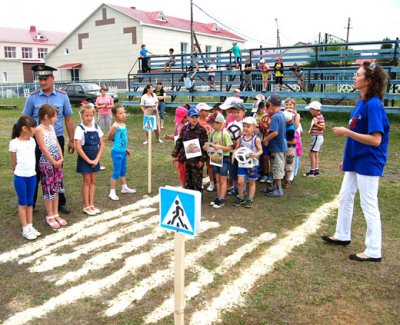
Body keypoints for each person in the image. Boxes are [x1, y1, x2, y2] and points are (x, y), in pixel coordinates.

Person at [322, 62, 390, 262]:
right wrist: (347, 160)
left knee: (368, 204)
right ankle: (342, 235)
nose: (354, 77)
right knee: (345, 197)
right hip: (355, 159)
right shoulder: (361, 101)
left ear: (368, 81)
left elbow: (376, 140)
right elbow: (358, 133)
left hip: (369, 161)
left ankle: (373, 250)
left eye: (358, 74)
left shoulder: (374, 104)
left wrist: (346, 132)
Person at [23, 64, 74, 215]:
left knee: (57, 170)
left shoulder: (62, 96)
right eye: (40, 79)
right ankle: (31, 203)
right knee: (36, 171)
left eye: (45, 78)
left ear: (53, 78)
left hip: (56, 139)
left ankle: (60, 202)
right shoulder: (32, 98)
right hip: (37, 141)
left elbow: (69, 118)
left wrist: (71, 140)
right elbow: (25, 119)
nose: (42, 82)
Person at [35, 104, 67, 229]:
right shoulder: (39, 129)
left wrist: (60, 157)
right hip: (47, 163)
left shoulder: (52, 127)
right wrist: (53, 161)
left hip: (57, 161)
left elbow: (56, 142)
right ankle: (50, 215)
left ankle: (55, 213)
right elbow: (42, 147)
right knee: (49, 189)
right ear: (47, 116)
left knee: (56, 187)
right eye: (55, 116)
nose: (56, 118)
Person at [9, 116, 41, 240]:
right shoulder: (14, 143)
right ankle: (25, 228)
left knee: (30, 202)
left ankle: (30, 225)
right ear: (24, 128)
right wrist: (18, 173)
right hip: (20, 178)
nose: (35, 129)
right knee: (23, 203)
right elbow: (14, 162)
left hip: (32, 176)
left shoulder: (32, 142)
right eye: (33, 127)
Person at [74, 103, 105, 215]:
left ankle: (92, 204)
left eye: (91, 115)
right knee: (87, 181)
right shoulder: (79, 129)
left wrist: (96, 159)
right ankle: (86, 205)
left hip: (95, 158)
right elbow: (78, 147)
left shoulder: (97, 127)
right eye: (86, 115)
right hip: (85, 158)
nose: (89, 118)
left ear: (94, 115)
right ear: (82, 116)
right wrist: (88, 160)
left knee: (93, 181)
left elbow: (101, 144)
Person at [172, 108, 208, 193]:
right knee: (188, 180)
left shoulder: (202, 130)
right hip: (187, 159)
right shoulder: (184, 129)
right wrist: (174, 155)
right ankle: (189, 200)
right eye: (192, 117)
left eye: (196, 117)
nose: (195, 119)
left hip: (197, 161)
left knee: (197, 181)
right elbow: (179, 142)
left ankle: (198, 199)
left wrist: (202, 160)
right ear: (188, 118)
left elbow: (205, 146)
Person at [233, 116, 263, 208]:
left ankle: (250, 199)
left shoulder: (256, 139)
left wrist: (255, 154)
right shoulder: (241, 138)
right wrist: (234, 155)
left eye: (248, 126)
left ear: (254, 128)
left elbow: (260, 150)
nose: (245, 128)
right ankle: (241, 197)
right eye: (244, 126)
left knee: (251, 182)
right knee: (240, 181)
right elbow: (237, 148)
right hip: (242, 163)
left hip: (252, 164)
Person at [108, 104, 136, 201]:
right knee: (116, 172)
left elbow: (123, 140)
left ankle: (124, 187)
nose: (123, 115)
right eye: (120, 113)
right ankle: (112, 192)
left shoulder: (123, 125)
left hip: (123, 152)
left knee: (123, 171)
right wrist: (118, 146)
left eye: (124, 112)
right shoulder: (115, 126)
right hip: (116, 152)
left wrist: (125, 149)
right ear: (115, 115)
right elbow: (109, 137)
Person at [262, 94, 287, 197]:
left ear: (271, 104)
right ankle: (275, 187)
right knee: (275, 167)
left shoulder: (275, 116)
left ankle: (278, 190)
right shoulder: (281, 114)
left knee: (277, 168)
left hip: (278, 147)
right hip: (280, 145)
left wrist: (266, 139)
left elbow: (275, 132)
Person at [206, 112, 233, 208]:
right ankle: (218, 196)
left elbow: (229, 148)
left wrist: (219, 147)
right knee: (217, 179)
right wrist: (207, 147)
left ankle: (222, 198)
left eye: (213, 124)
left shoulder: (225, 134)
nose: (212, 126)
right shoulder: (212, 133)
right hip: (215, 158)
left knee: (223, 179)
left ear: (220, 123)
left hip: (224, 158)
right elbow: (209, 144)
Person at [164, 106, 189, 187]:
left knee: (185, 170)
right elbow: (177, 138)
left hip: (185, 151)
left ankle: (185, 186)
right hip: (180, 151)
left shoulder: (188, 126)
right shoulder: (178, 125)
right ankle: (183, 186)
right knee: (181, 170)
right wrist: (169, 137)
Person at [226, 103, 245, 196]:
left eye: (238, 112)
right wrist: (231, 141)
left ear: (243, 112)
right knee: (232, 169)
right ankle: (234, 187)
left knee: (241, 170)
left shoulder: (246, 124)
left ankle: (243, 188)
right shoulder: (230, 124)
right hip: (232, 150)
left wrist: (243, 135)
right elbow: (227, 135)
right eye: (234, 112)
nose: (236, 114)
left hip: (242, 151)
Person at [196, 103, 215, 192]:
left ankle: (211, 182)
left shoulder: (210, 121)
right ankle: (200, 182)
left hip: (209, 146)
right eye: (205, 111)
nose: (208, 112)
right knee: (199, 165)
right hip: (199, 147)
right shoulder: (196, 122)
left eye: (208, 110)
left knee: (210, 165)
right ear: (200, 112)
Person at [303, 101, 325, 177]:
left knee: (312, 153)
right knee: (315, 153)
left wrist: (315, 124)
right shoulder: (318, 117)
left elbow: (323, 128)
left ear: (315, 110)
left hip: (317, 136)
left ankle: (312, 171)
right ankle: (316, 170)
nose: (310, 111)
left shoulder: (318, 117)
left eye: (311, 110)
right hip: (316, 137)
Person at [282, 110, 296, 189]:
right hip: (286, 147)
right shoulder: (288, 126)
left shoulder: (290, 129)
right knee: (285, 164)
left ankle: (288, 181)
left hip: (289, 148)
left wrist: (283, 141)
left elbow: (293, 141)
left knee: (289, 165)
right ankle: (285, 179)